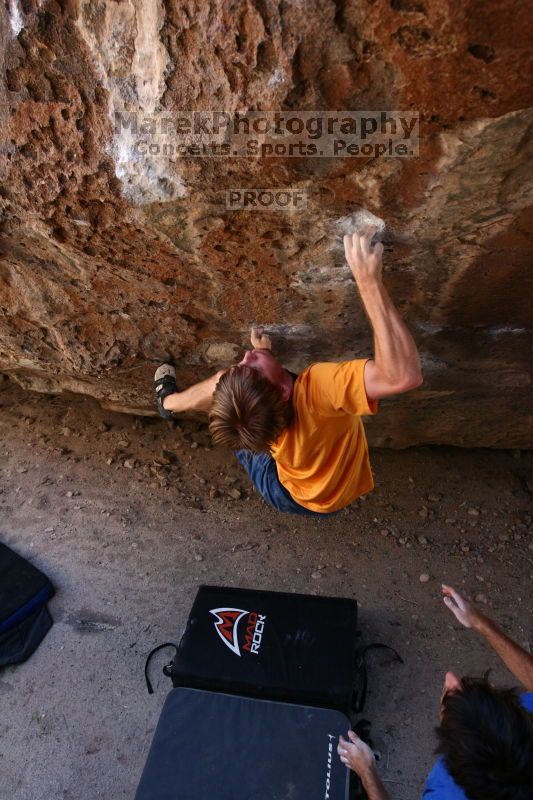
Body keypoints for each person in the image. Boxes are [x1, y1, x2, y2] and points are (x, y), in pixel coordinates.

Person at [153, 224, 422, 515]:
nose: (246, 355)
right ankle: (178, 403)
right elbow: (402, 376)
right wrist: (368, 282)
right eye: (252, 365)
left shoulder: (269, 416)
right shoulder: (316, 393)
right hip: (296, 486)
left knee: (234, 405)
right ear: (282, 389)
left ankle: (167, 403)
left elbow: (243, 389)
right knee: (229, 389)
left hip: (292, 495)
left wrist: (262, 359)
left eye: (246, 361)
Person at [337, 586, 533, 799]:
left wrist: (366, 770)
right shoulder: (522, 728)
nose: (451, 678)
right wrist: (481, 624)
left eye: (448, 704)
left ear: (451, 758)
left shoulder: (445, 794)